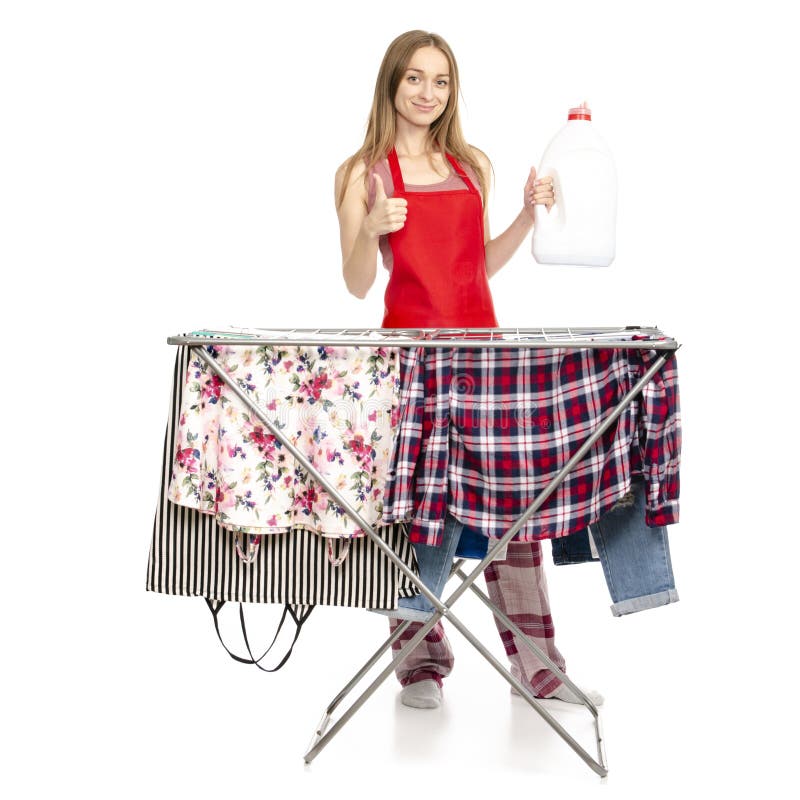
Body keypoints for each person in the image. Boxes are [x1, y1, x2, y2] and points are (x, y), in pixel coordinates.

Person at [334, 30, 603, 710]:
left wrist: (525, 214)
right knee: (414, 520)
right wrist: (371, 229)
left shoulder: (469, 165)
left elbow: (478, 266)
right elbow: (357, 283)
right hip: (410, 367)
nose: (428, 93)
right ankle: (420, 664)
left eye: (441, 81)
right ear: (391, 84)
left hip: (485, 362)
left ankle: (538, 668)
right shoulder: (362, 172)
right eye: (415, 79)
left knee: (511, 517)